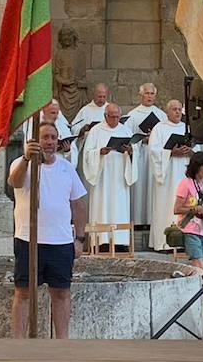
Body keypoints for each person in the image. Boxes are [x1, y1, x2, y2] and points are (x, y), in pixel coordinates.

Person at [7, 122, 88, 338]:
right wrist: (26, 159)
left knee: (61, 292)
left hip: (60, 241)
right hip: (28, 239)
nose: (50, 142)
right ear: (35, 140)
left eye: (53, 137)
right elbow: (14, 182)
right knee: (23, 292)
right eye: (45, 137)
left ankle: (62, 340)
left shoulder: (66, 168)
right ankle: (18, 341)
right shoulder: (21, 164)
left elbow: (78, 205)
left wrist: (79, 239)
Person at [82, 103, 136, 250]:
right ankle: (101, 241)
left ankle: (120, 241)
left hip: (119, 177)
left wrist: (130, 152)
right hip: (102, 178)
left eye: (118, 117)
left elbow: (134, 152)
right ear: (105, 116)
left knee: (119, 207)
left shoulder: (125, 131)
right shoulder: (96, 131)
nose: (115, 120)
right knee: (102, 206)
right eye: (112, 117)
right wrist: (99, 152)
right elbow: (87, 155)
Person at [147, 99, 192, 252]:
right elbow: (153, 151)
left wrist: (189, 151)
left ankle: (184, 242)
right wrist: (170, 152)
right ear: (167, 112)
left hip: (185, 173)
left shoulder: (187, 128)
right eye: (174, 109)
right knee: (166, 205)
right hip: (166, 175)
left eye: (179, 109)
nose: (178, 112)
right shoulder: (159, 128)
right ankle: (165, 243)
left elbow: (197, 148)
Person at [124, 83, 163, 238]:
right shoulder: (132, 115)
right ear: (140, 95)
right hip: (140, 155)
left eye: (152, 93)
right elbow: (128, 136)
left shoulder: (160, 115)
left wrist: (154, 139)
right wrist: (142, 140)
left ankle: (152, 219)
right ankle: (139, 219)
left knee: (153, 186)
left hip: (155, 156)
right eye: (146, 93)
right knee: (140, 186)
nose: (149, 96)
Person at [172, 151, 203, 273]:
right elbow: (176, 209)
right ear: (196, 166)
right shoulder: (186, 184)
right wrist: (195, 209)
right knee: (198, 263)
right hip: (189, 229)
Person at [70, 83, 111, 183]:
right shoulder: (85, 110)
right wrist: (82, 130)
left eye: (104, 97)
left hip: (107, 152)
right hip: (89, 152)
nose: (101, 99)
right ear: (93, 95)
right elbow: (73, 128)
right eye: (99, 96)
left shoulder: (111, 109)